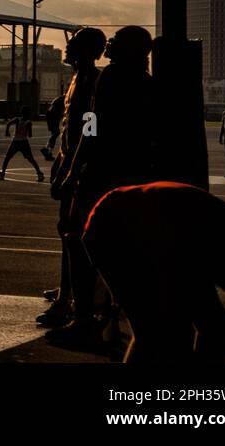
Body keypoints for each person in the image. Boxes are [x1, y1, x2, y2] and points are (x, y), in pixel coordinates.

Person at [51, 25, 158, 348]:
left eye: (116, 41)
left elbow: (92, 127)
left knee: (79, 238)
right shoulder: (147, 83)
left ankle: (83, 316)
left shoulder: (111, 77)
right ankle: (106, 312)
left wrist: (71, 169)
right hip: (132, 174)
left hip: (101, 172)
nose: (110, 44)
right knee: (118, 245)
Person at [83, 181, 225, 364]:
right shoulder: (215, 243)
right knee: (152, 333)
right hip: (113, 228)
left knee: (214, 326)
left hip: (144, 225)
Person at [39, 26, 106, 329]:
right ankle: (69, 289)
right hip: (70, 162)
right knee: (66, 230)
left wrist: (71, 171)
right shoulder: (78, 78)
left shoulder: (93, 81)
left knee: (76, 235)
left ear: (89, 51)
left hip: (81, 168)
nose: (67, 47)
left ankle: (72, 299)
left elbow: (88, 133)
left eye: (74, 43)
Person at [0, 107, 44, 182]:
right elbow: (30, 135)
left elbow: (8, 123)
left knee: (7, 158)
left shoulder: (17, 119)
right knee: (31, 159)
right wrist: (28, 130)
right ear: (28, 114)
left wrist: (7, 131)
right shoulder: (28, 122)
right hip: (23, 142)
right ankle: (39, 173)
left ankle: (2, 174)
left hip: (16, 141)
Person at [41, 95, 63, 161]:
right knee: (56, 133)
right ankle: (47, 150)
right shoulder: (64, 98)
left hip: (51, 114)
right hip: (53, 115)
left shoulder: (59, 98)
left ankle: (48, 151)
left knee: (54, 133)